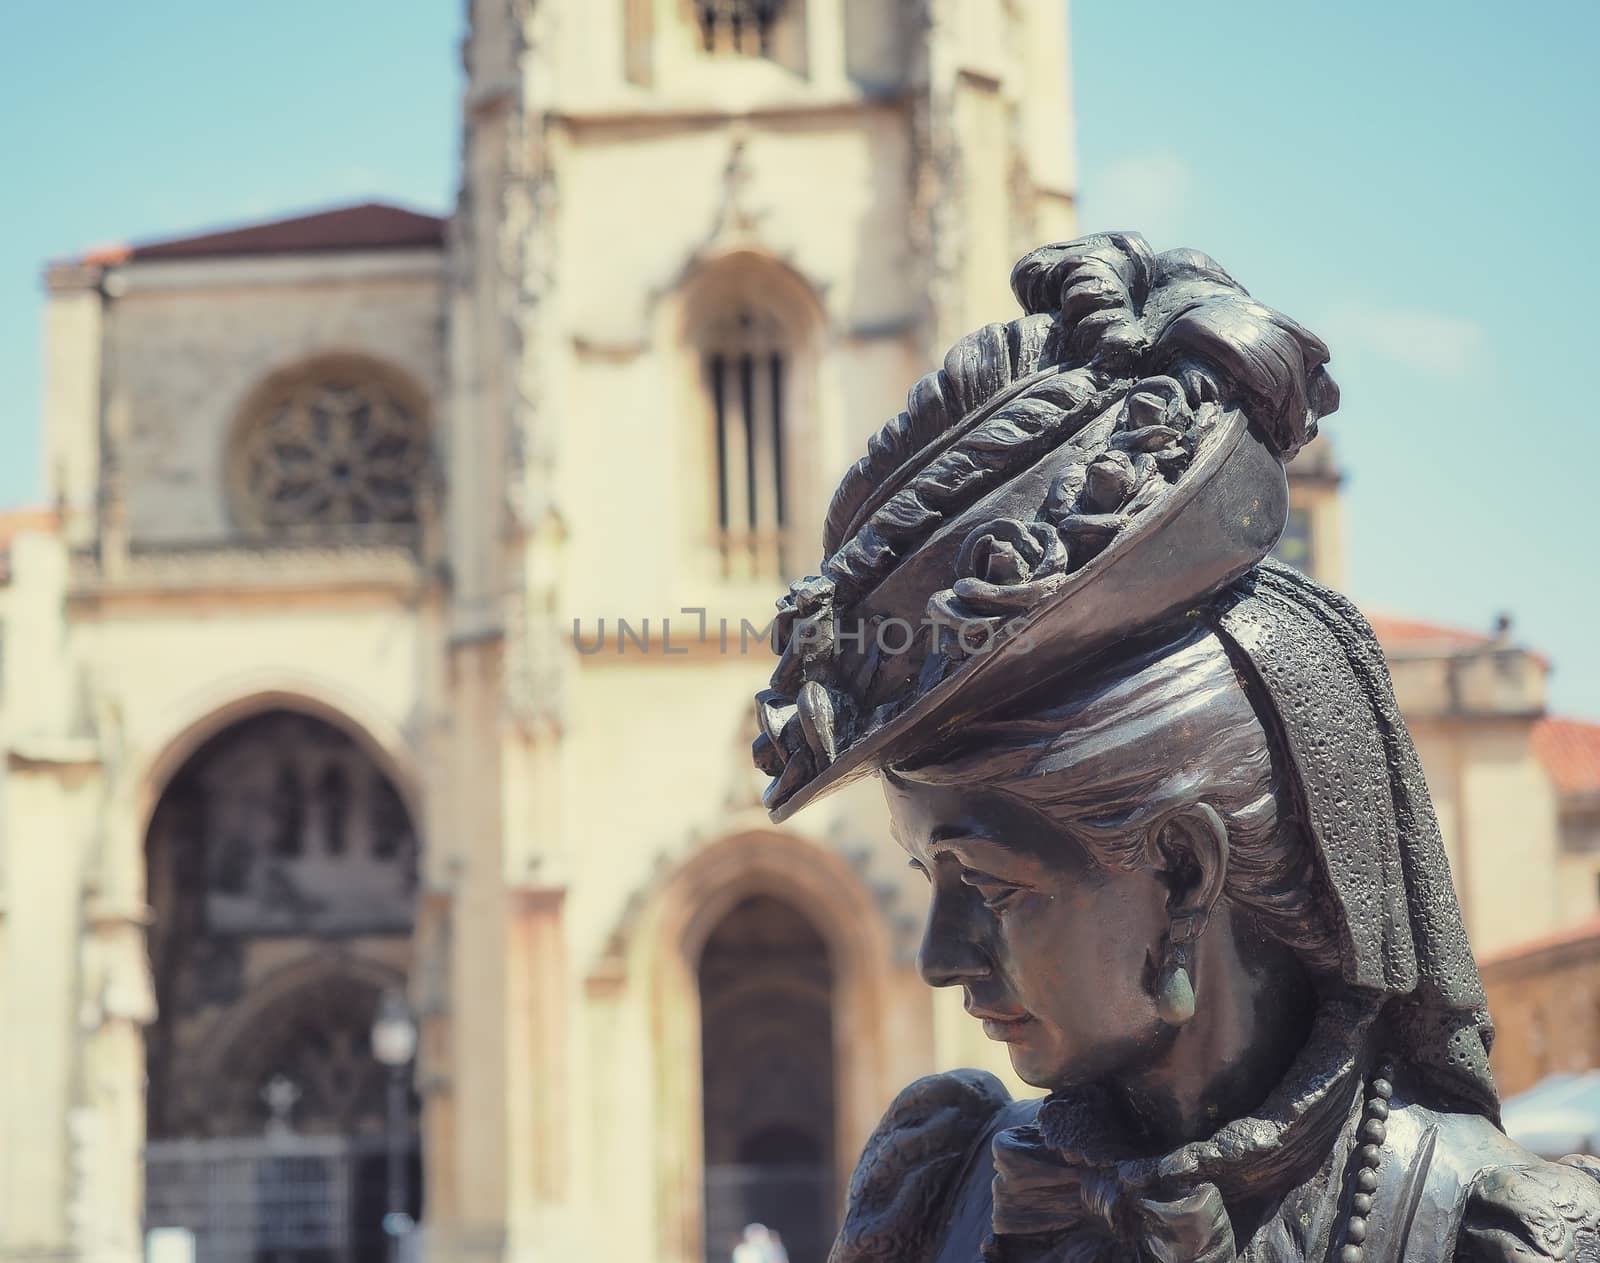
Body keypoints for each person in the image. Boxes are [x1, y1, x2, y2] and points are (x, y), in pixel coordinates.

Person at [753, 233, 1600, 1262]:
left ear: (1185, 870)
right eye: (929, 875)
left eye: (986, 881)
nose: (938, 959)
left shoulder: (1481, 1235)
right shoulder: (938, 1190)